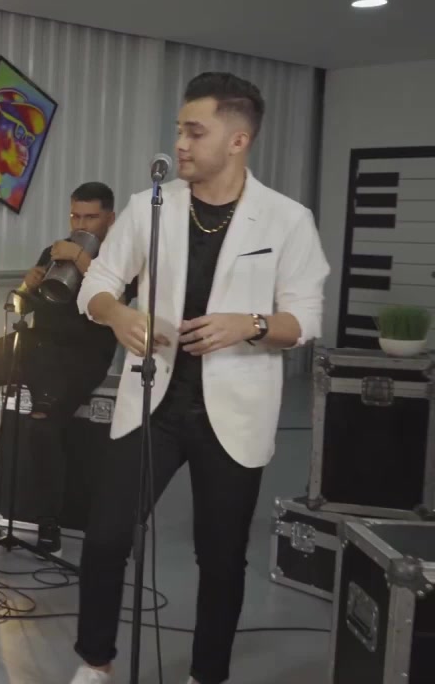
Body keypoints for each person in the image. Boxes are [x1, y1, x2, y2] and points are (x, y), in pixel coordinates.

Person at [70, 72, 330, 684]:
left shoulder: (287, 220)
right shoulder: (150, 207)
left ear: (238, 140)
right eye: (179, 130)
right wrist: (117, 314)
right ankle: (95, 662)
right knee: (105, 536)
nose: (180, 144)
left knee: (221, 556)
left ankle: (207, 673)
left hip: (233, 412)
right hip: (152, 401)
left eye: (195, 132)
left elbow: (305, 320)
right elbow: (98, 282)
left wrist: (251, 324)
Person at [0, 183, 132, 554]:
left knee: (44, 425)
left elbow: (118, 302)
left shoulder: (121, 256)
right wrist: (28, 284)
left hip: (81, 354)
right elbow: (23, 307)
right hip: (35, 343)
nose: (81, 224)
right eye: (75, 216)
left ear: (110, 218)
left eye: (90, 217)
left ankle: (48, 523)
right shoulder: (55, 250)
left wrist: (80, 258)